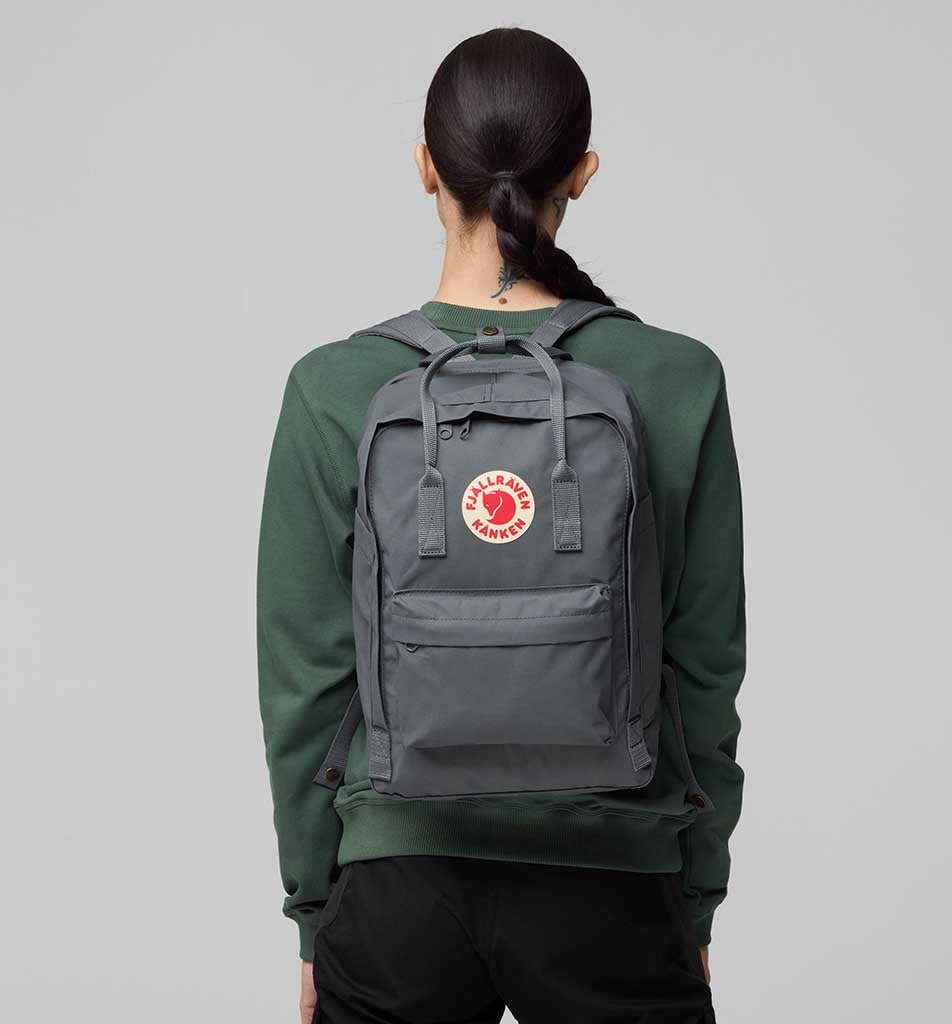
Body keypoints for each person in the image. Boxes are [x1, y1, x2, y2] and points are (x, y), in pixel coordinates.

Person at [257, 26, 745, 1024]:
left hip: (395, 888)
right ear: (582, 173)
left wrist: (315, 912)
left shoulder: (335, 387)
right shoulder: (676, 377)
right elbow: (703, 670)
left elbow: (303, 684)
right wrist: (692, 900)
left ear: (425, 167)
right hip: (614, 883)